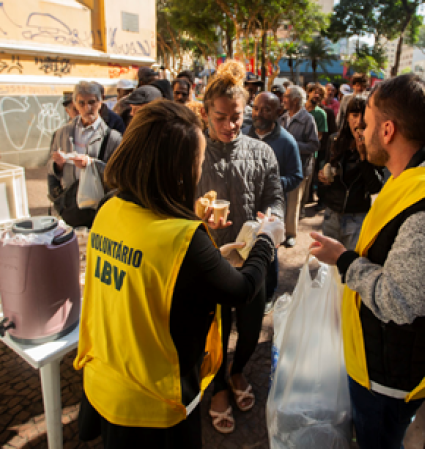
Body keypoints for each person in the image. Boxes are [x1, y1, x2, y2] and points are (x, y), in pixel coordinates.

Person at [74, 100, 283, 449]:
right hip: (155, 404)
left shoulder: (110, 209)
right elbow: (242, 288)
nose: (200, 169)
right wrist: (265, 240)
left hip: (105, 380)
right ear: (177, 169)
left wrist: (192, 218)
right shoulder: (182, 239)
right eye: (197, 161)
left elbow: (152, 270)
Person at [309, 74, 425, 449]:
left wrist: (342, 259)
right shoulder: (424, 175)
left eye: (367, 124)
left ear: (388, 130)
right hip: (387, 359)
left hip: (389, 374)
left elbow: (403, 301)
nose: (361, 132)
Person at [196, 61, 285, 434]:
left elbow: (276, 198)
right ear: (205, 113)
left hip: (252, 261)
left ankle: (236, 373)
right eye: (221, 117)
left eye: (237, 117)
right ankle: (216, 387)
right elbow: (175, 204)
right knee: (212, 331)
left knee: (250, 330)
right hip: (207, 261)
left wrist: (270, 219)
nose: (230, 125)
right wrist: (197, 215)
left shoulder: (262, 152)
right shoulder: (193, 152)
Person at [243, 92, 303, 311]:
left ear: (279, 112)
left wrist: (272, 183)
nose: (259, 113)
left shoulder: (287, 142)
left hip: (270, 210)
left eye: (266, 109)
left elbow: (296, 176)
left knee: (269, 251)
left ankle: (268, 296)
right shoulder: (243, 134)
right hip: (245, 206)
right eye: (256, 108)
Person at [48, 81, 123, 228]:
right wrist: (58, 165)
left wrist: (91, 165)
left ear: (100, 102)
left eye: (92, 102)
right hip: (69, 204)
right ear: (74, 104)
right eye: (81, 103)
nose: (87, 108)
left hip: (97, 208)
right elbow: (50, 171)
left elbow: (117, 175)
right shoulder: (63, 133)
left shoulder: (112, 137)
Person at [317, 95, 383, 249]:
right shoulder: (335, 141)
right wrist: (322, 178)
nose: (359, 122)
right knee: (328, 267)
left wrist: (363, 157)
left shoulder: (375, 147)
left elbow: (376, 187)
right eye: (354, 115)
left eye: (364, 116)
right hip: (332, 214)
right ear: (347, 118)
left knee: (351, 266)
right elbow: (325, 174)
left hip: (357, 217)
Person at [279, 86, 319, 247]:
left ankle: (290, 234)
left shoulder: (308, 119)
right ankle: (279, 232)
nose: (283, 99)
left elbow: (314, 145)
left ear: (295, 100)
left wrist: (293, 145)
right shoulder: (282, 118)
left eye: (287, 96)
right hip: (281, 168)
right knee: (280, 201)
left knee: (293, 203)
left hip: (298, 169)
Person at [305, 83, 329, 205]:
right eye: (314, 92)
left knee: (307, 182)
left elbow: (319, 136)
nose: (317, 95)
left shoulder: (321, 114)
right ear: (308, 92)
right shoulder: (300, 109)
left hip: (310, 153)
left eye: (320, 93)